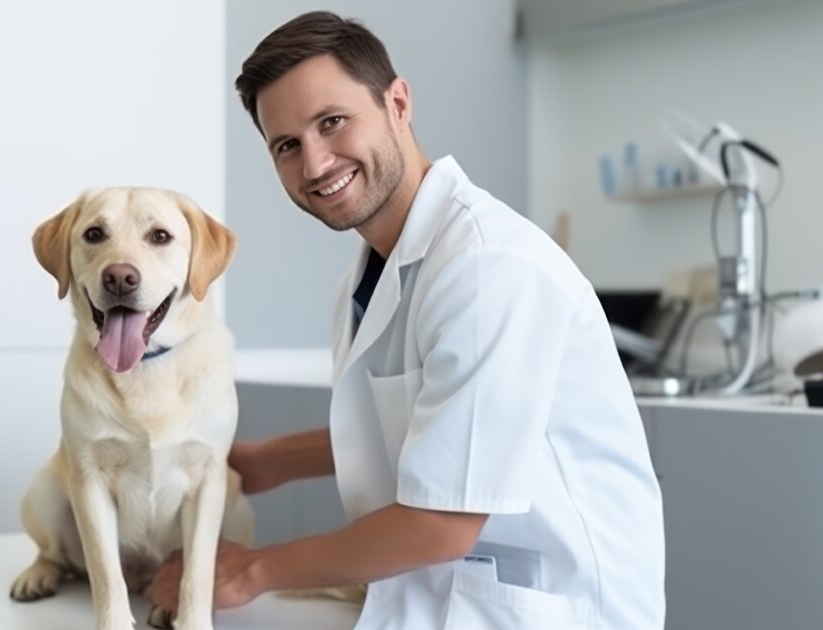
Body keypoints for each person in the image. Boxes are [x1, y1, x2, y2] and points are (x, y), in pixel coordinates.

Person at [153, 10, 665, 629]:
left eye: (332, 122)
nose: (314, 164)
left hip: (551, 609)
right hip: (441, 602)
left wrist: (251, 570)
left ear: (398, 102)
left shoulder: (487, 266)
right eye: (287, 145)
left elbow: (441, 522)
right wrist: (262, 460)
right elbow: (423, 429)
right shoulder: (367, 276)